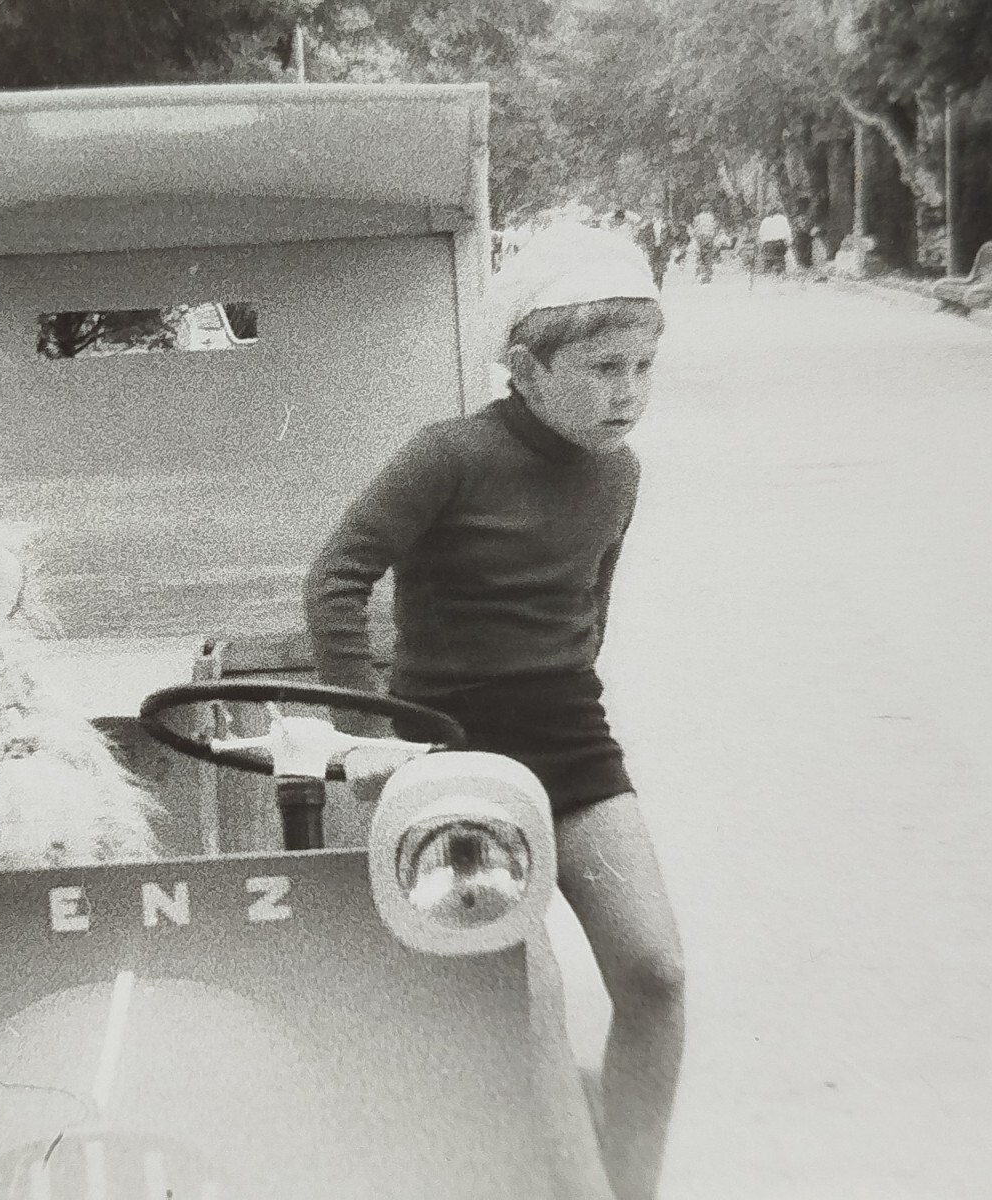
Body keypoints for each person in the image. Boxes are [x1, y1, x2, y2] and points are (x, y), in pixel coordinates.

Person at [304, 223, 685, 1200]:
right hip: (450, 745)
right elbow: (336, 579)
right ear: (524, 367)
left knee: (654, 972)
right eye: (603, 368)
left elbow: (587, 607)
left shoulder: (619, 473)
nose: (629, 392)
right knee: (533, 998)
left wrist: (561, 679)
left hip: (567, 733)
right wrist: (369, 732)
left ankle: (629, 1180)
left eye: (644, 366)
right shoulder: (448, 456)